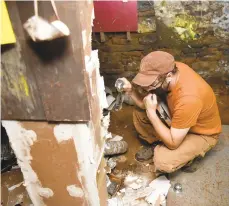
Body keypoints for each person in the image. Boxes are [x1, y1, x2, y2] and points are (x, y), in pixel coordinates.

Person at [120, 51, 221, 173]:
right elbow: (143, 103)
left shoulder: (189, 98)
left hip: (201, 133)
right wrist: (131, 91)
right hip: (180, 117)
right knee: (139, 113)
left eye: (150, 84)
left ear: (168, 76)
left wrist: (152, 114)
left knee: (163, 161)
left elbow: (173, 143)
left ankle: (189, 157)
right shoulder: (171, 68)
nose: (146, 88)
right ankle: (159, 142)